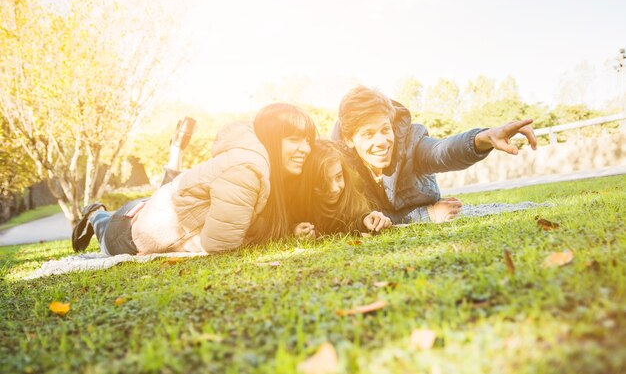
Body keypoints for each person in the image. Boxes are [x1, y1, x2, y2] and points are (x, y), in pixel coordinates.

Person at [72, 103, 316, 255]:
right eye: (294, 140)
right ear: (273, 139)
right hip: (128, 232)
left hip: (159, 208)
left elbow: (247, 221)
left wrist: (290, 230)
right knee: (105, 228)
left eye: (307, 140)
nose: (305, 149)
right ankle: (94, 214)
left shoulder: (256, 165)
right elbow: (220, 245)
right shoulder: (246, 170)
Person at [331, 86, 537, 224]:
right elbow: (350, 218)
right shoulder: (340, 168)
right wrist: (426, 215)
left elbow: (443, 151)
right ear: (349, 139)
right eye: (368, 134)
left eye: (385, 129)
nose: (382, 141)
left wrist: (482, 139)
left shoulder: (411, 144)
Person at [291, 140, 392, 238]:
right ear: (310, 182)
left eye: (339, 177)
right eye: (324, 182)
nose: (334, 189)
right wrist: (294, 229)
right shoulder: (299, 205)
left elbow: (356, 219)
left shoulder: (351, 197)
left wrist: (367, 219)